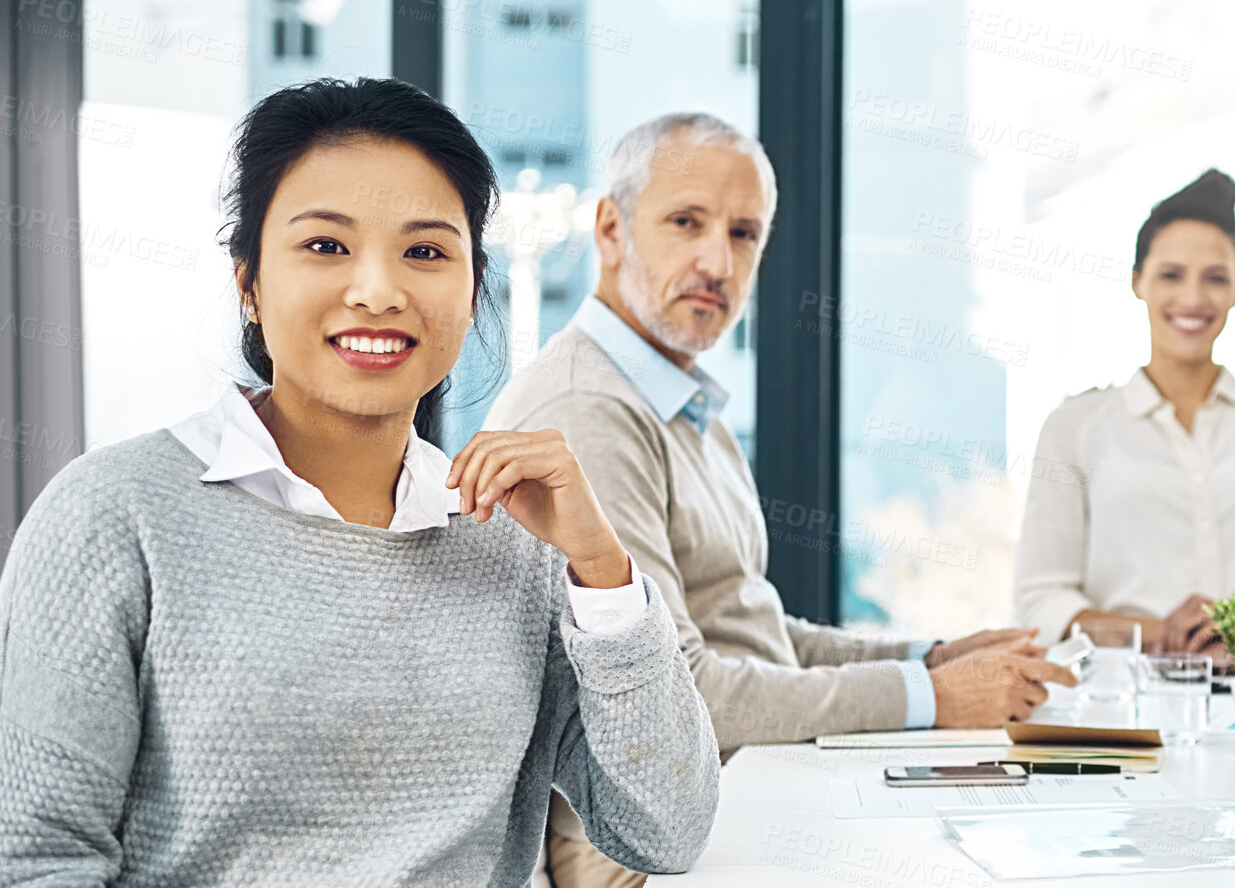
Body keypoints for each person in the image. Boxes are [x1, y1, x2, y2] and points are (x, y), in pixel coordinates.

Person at [0, 78, 716, 886]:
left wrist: (601, 569)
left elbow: (666, 832)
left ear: (473, 287)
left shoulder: (515, 543)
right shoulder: (111, 518)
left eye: (425, 251)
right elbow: (36, 859)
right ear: (250, 284)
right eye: (326, 247)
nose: (379, 291)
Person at [484, 112, 1077, 888]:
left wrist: (928, 657)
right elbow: (684, 690)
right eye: (685, 223)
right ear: (610, 229)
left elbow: (751, 628)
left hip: (750, 784)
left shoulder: (681, 400)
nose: (717, 261)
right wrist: (932, 695)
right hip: (640, 850)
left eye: (743, 234)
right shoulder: (590, 409)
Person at [1014, 168, 1235, 657]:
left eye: (1215, 278)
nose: (1193, 298)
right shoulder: (1074, 428)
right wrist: (1159, 633)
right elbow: (1043, 601)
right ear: (1137, 280)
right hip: (1127, 707)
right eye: (1171, 275)